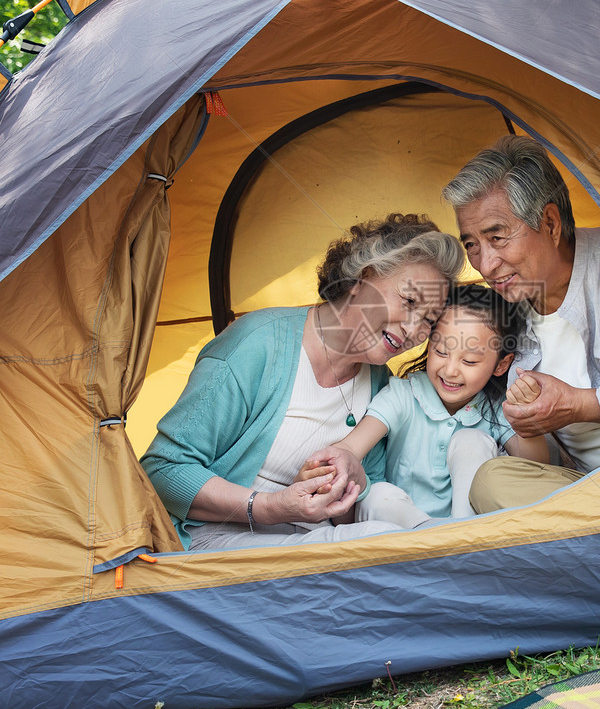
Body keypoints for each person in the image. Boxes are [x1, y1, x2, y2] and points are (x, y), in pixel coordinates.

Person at [141, 213, 464, 550]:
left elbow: (362, 508)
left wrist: (342, 487)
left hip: (312, 542)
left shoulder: (380, 383)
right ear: (363, 279)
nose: (414, 330)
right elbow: (163, 470)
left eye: (429, 320)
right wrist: (271, 507)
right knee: (379, 544)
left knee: (383, 537)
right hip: (212, 539)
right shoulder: (258, 344)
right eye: (409, 301)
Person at [441, 136, 600, 511]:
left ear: (550, 223)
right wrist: (527, 427)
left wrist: (580, 405)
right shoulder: (502, 312)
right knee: (493, 481)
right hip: (583, 491)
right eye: (472, 245)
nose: (485, 264)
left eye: (497, 237)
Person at [305, 284, 550, 528]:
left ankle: (462, 532)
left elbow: (537, 468)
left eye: (469, 360)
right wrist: (335, 461)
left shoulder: (496, 407)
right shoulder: (403, 394)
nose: (450, 370)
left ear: (500, 365)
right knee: (377, 496)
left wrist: (525, 415)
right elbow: (353, 445)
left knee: (471, 440)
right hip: (400, 528)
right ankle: (433, 538)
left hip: (469, 529)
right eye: (441, 351)